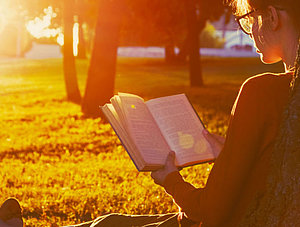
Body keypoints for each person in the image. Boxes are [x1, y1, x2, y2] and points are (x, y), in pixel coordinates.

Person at [2, 0, 299, 226]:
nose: (247, 31)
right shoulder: (287, 92)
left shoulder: (261, 91)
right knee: (111, 221)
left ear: (272, 17)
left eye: (247, 19)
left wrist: (171, 181)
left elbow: (211, 211)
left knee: (108, 224)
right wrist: (230, 153)